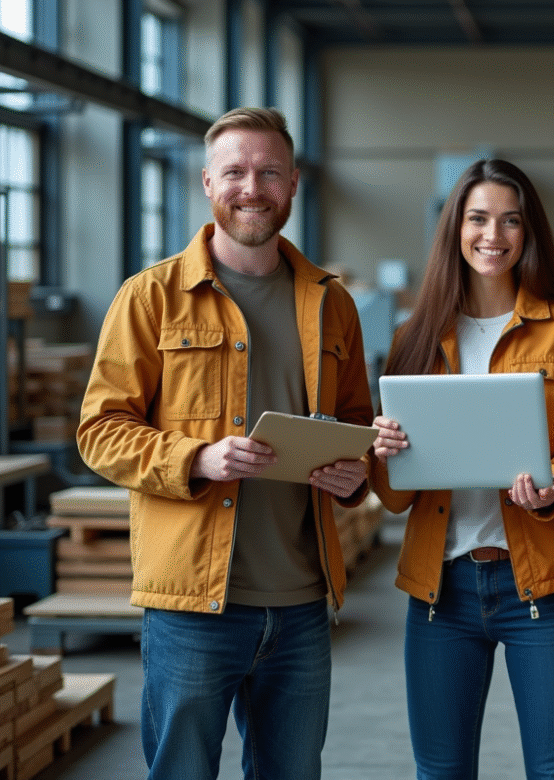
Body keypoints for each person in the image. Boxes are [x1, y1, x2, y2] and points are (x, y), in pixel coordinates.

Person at [77, 107, 373, 780]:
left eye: (269, 172)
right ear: (208, 181)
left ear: (293, 183)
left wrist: (354, 476)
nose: (252, 188)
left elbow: (356, 425)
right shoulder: (150, 297)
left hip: (300, 602)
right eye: (235, 172)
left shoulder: (333, 304)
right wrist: (195, 458)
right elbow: (100, 431)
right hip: (192, 605)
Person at [371, 158, 554, 780]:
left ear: (529, 233)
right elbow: (393, 497)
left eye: (510, 221)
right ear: (455, 228)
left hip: (544, 589)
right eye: (477, 219)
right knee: (441, 771)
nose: (492, 235)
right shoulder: (414, 337)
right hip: (439, 589)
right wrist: (386, 454)